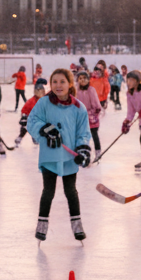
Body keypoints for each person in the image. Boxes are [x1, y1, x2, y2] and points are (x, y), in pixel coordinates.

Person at [27, 68, 92, 242]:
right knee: (48, 191)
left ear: (70, 84)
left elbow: (83, 132)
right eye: (54, 82)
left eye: (62, 81)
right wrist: (45, 129)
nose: (58, 85)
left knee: (71, 191)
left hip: (69, 159)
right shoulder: (43, 103)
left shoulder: (78, 107)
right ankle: (41, 227)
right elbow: (32, 121)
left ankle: (77, 227)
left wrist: (83, 149)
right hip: (50, 156)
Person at [74, 69, 103, 152]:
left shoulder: (91, 90)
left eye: (84, 78)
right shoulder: (76, 91)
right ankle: (83, 151)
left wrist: (92, 114)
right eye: (80, 78)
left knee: (94, 134)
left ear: (88, 79)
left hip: (91, 118)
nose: (82, 80)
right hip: (80, 119)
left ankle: (98, 152)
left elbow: (96, 105)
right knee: (82, 136)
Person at [16, 82, 46, 147]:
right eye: (38, 91)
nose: (40, 93)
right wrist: (24, 117)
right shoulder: (31, 101)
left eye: (41, 91)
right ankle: (20, 136)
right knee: (26, 125)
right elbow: (24, 110)